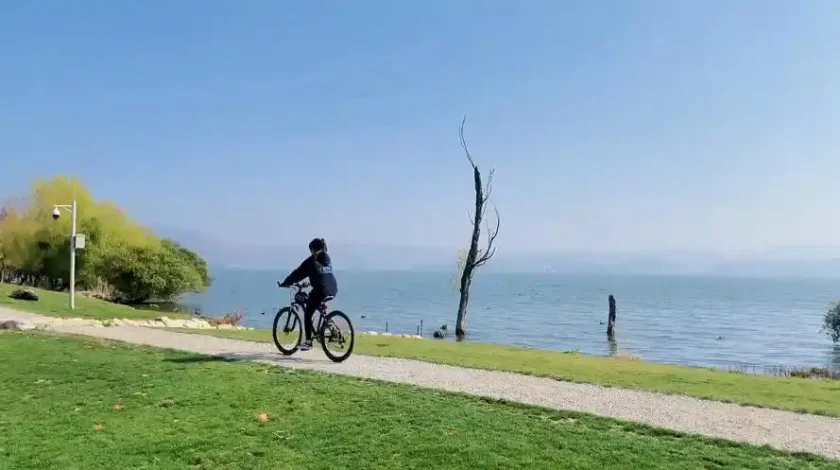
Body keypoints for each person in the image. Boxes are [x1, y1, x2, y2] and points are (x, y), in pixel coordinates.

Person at [278, 238, 338, 351]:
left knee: (307, 315)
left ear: (313, 250)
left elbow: (298, 273)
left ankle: (308, 342)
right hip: (333, 288)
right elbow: (320, 274)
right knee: (318, 305)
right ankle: (332, 329)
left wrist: (285, 283)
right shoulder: (326, 257)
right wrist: (308, 283)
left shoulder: (312, 260)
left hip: (321, 289)